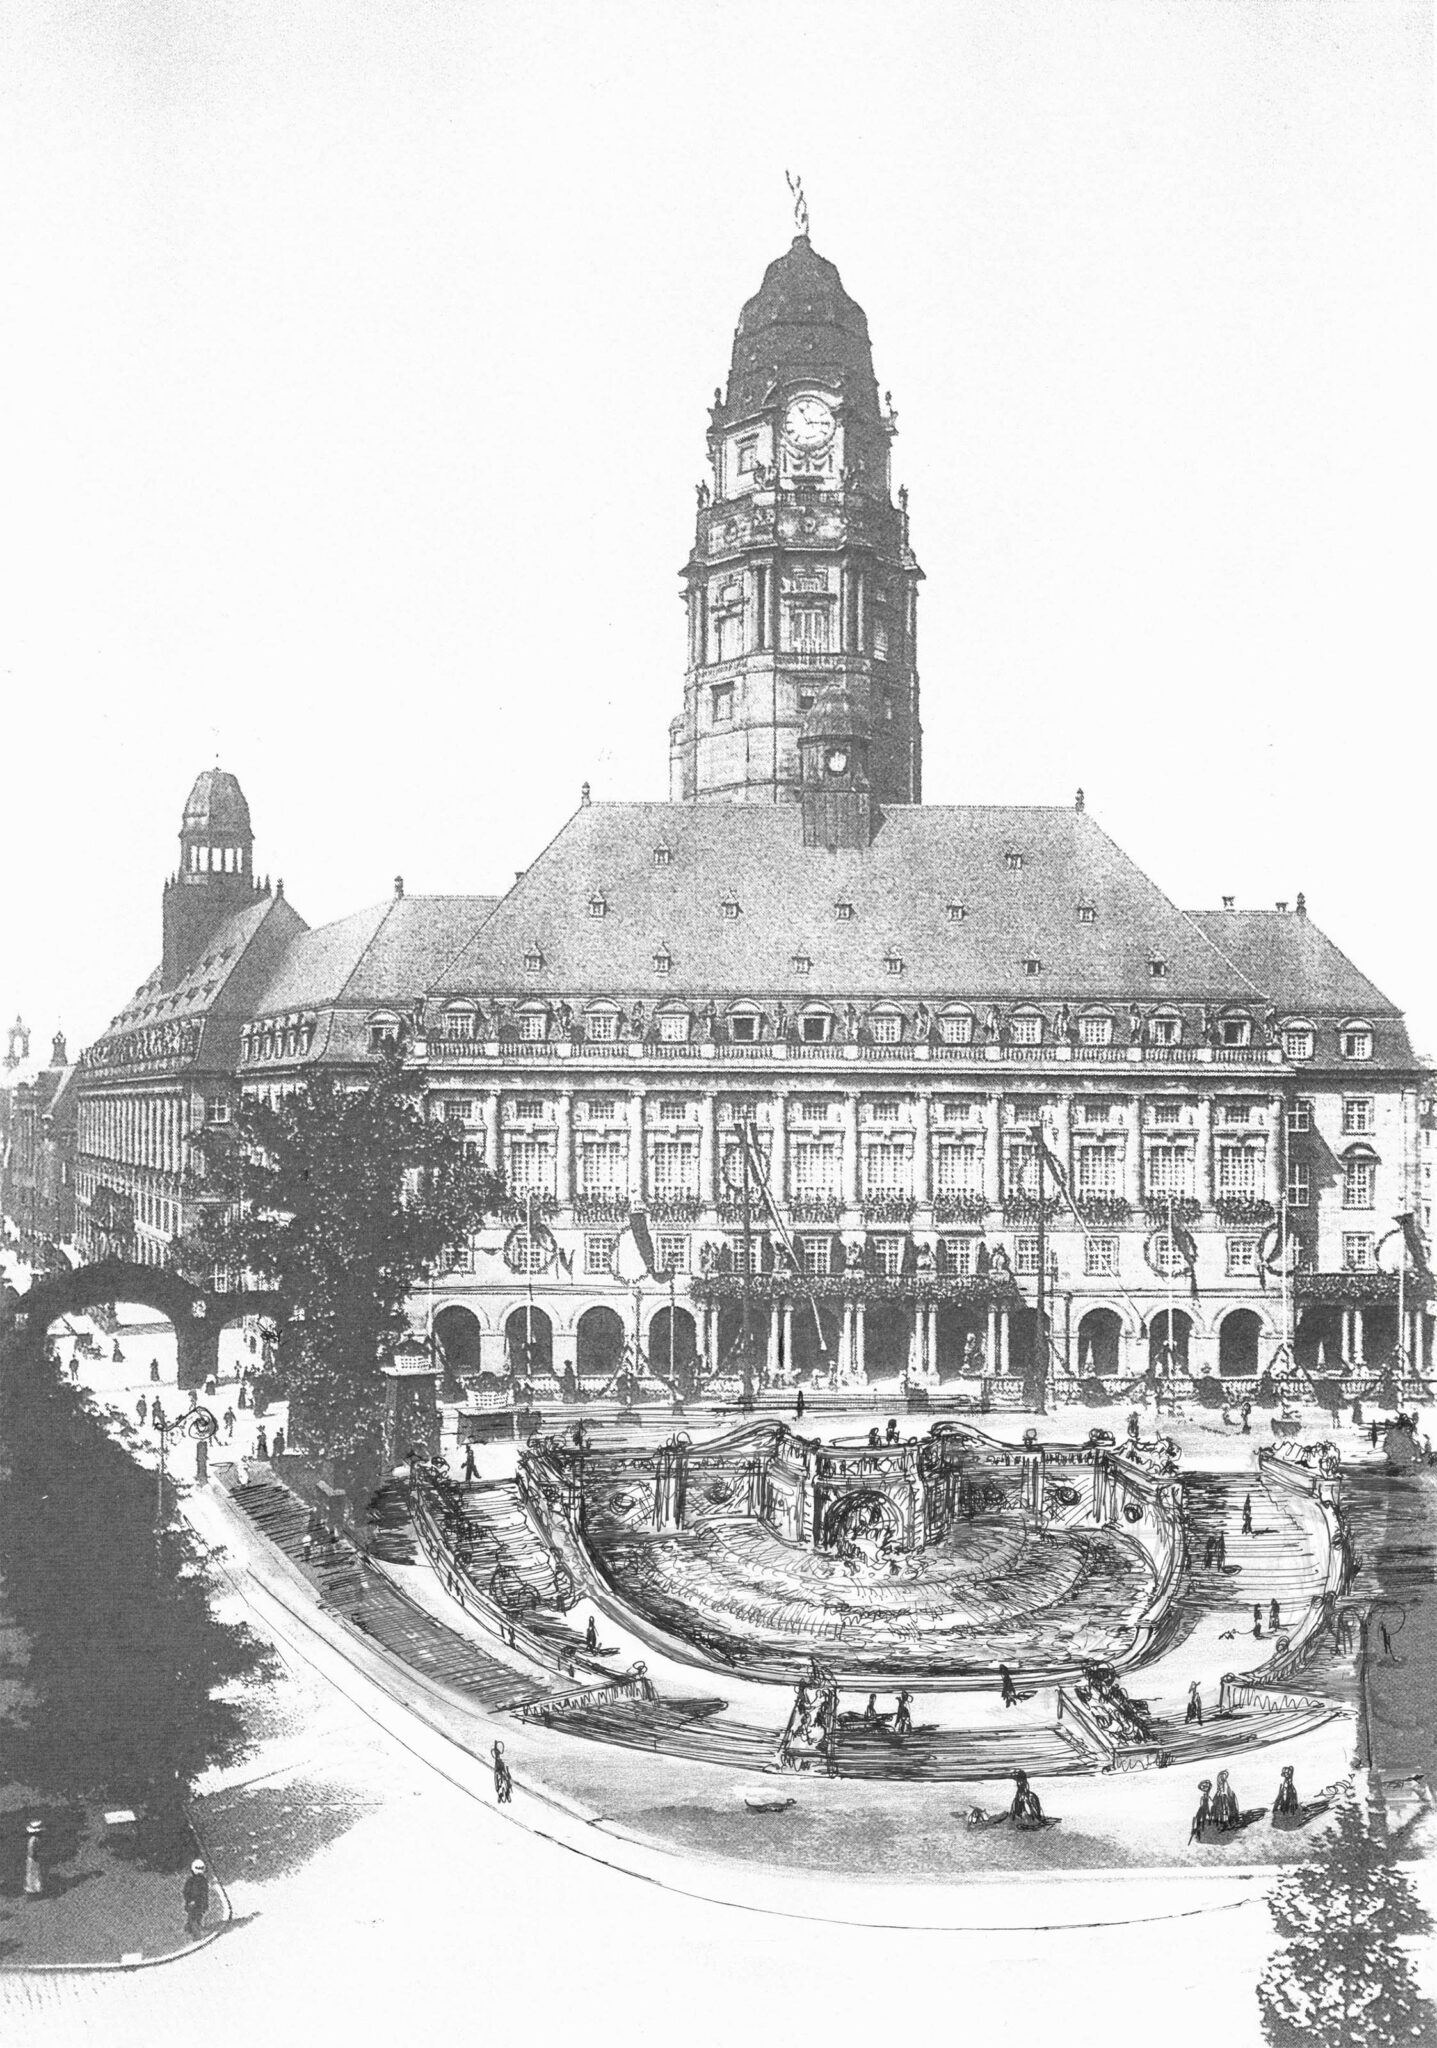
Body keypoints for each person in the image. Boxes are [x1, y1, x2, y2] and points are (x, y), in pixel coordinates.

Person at [183, 1858, 209, 1938]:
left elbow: (205, 1892)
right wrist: (190, 1900)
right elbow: (187, 1892)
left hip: (198, 1902)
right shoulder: (192, 1881)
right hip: (194, 1902)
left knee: (197, 1916)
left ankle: (190, 1928)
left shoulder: (200, 1881)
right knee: (193, 1918)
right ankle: (196, 1934)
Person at [23, 1820, 43, 1897]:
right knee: (33, 1873)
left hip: (33, 1858)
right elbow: (32, 1851)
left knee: (32, 1873)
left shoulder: (33, 1840)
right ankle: (34, 1888)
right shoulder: (34, 1840)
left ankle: (33, 1888)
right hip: (33, 1858)